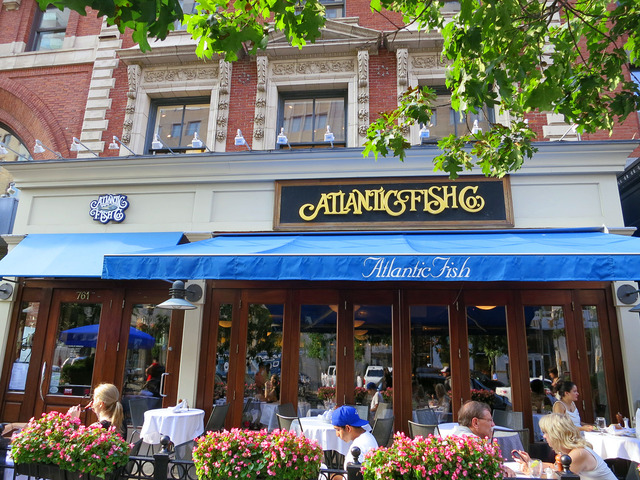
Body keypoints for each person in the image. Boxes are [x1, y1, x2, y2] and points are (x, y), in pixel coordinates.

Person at [513, 413, 616, 480]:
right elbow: (555, 467)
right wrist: (530, 462)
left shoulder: (579, 453)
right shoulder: (571, 451)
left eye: (545, 432)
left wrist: (529, 472)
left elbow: (558, 477)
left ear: (556, 434)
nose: (544, 436)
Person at [453, 400, 516, 476]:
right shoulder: (473, 442)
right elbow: (488, 472)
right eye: (490, 420)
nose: (493, 424)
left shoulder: (454, 435)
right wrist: (501, 469)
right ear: (475, 422)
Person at [332, 405, 378, 471]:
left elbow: (353, 474)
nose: (337, 434)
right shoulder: (368, 436)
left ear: (348, 428)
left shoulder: (358, 447)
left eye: (338, 430)